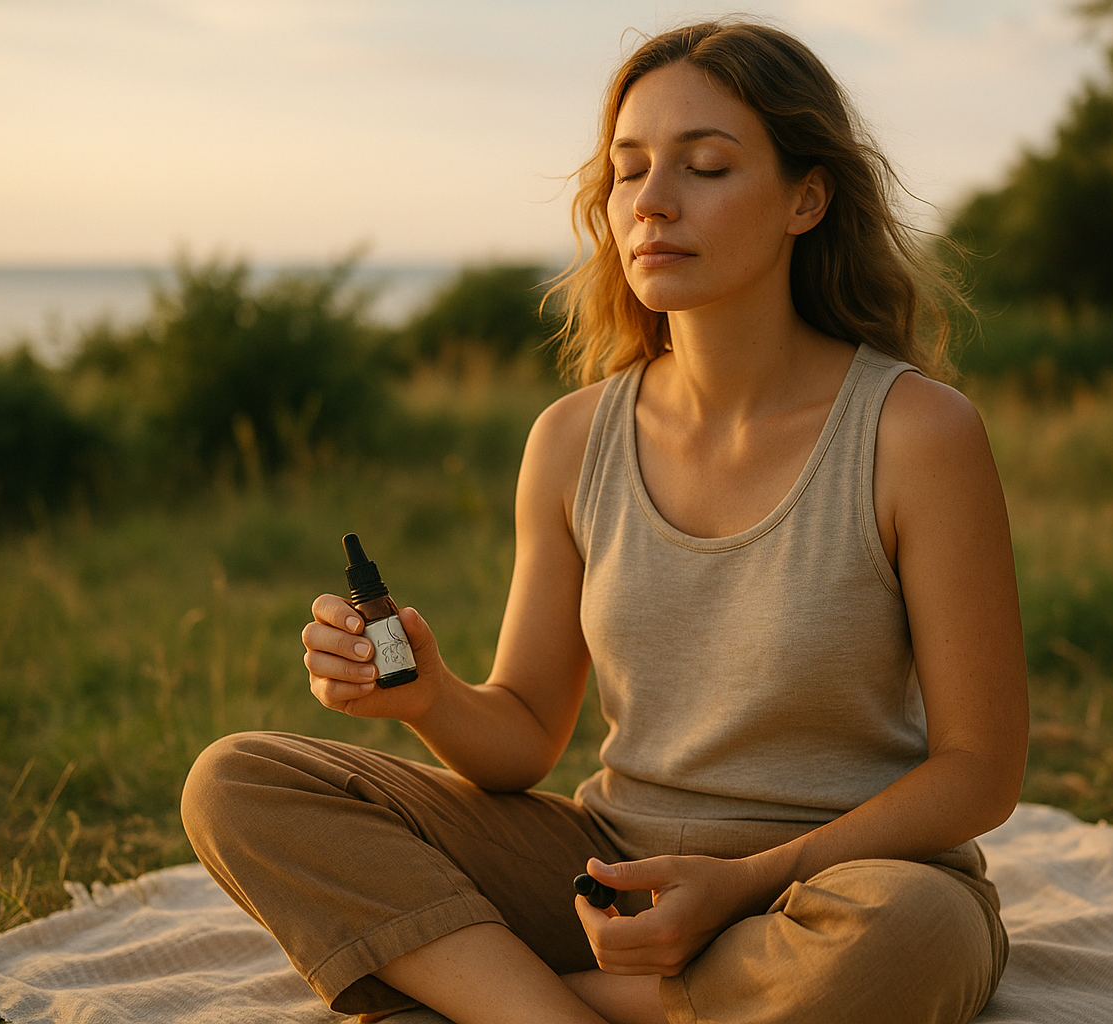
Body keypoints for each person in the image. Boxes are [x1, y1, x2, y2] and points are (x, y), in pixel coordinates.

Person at [182, 20, 1027, 1024]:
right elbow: (526, 735)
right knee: (239, 781)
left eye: (706, 166)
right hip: (610, 875)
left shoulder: (916, 432)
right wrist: (428, 694)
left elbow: (981, 771)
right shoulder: (574, 438)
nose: (653, 202)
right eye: (629, 172)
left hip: (840, 882)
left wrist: (747, 880)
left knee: (914, 937)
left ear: (808, 197)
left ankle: (512, 1002)